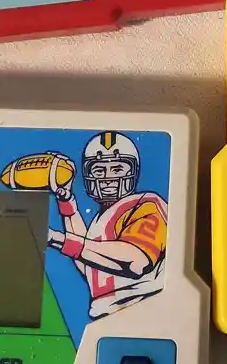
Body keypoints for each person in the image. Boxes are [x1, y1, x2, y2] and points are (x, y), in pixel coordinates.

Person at [47, 134, 167, 319]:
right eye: (99, 170)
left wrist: (57, 239)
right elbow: (87, 263)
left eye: (117, 169)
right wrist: (67, 202)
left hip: (142, 310)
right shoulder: (101, 219)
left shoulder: (147, 204)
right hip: (107, 316)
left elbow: (136, 261)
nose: (108, 177)